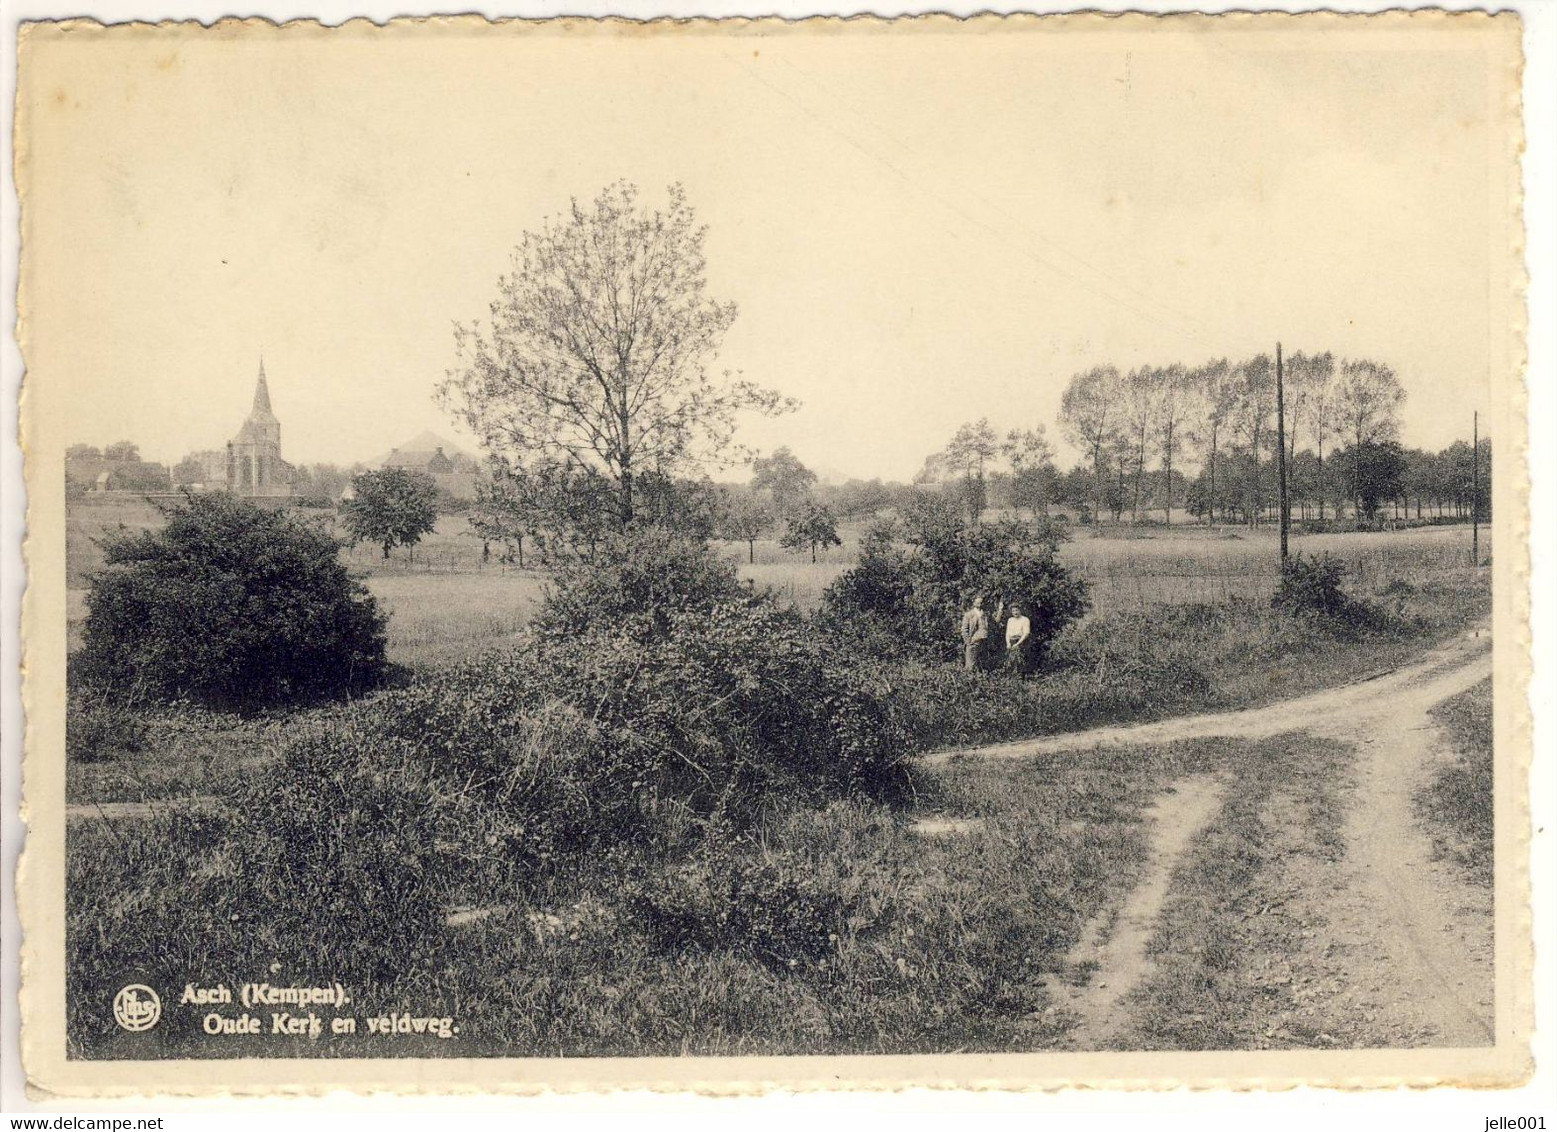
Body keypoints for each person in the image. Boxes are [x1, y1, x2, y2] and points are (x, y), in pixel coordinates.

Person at [959, 594, 989, 670]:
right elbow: (964, 629)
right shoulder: (969, 614)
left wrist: (1000, 610)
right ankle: (969, 680)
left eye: (981, 602)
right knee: (970, 665)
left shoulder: (985, 614)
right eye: (978, 602)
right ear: (974, 603)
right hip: (973, 641)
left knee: (981, 664)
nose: (980, 604)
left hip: (983, 641)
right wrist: (968, 641)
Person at [1004, 601, 1032, 674]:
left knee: (1021, 661)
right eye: (1013, 611)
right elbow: (1007, 633)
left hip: (1022, 641)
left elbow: (1026, 634)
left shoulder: (1025, 619)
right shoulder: (1010, 620)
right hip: (1012, 641)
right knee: (1011, 661)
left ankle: (1022, 679)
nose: (1015, 612)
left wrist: (1018, 644)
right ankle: (1013, 678)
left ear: (1020, 610)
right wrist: (1008, 643)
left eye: (1016, 610)